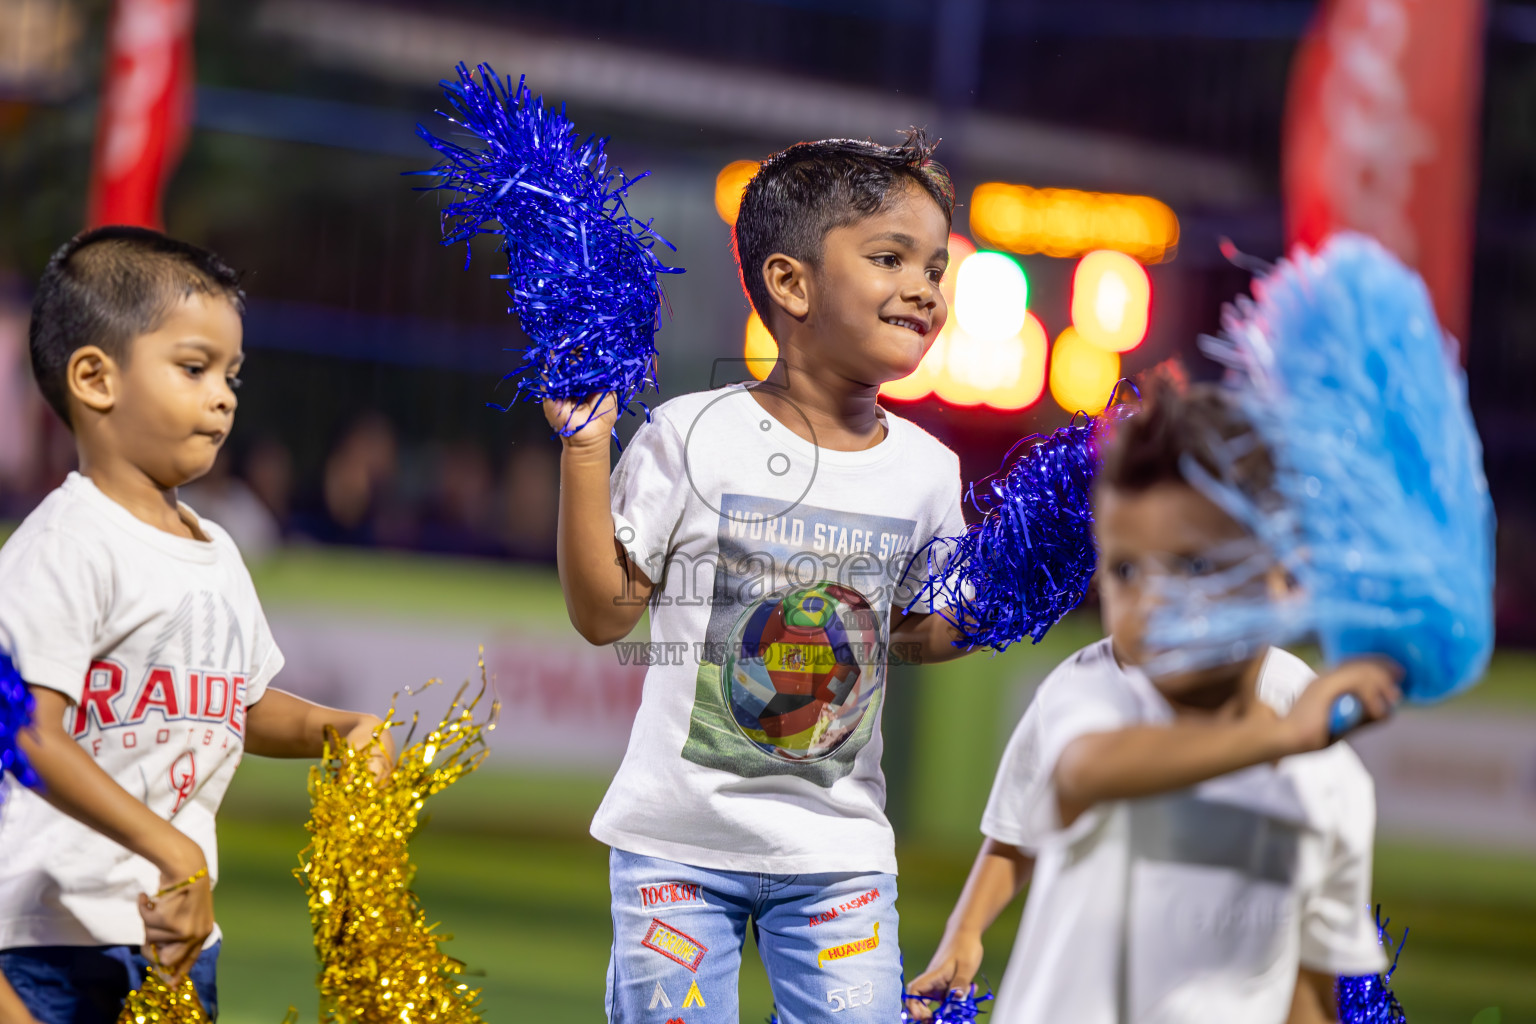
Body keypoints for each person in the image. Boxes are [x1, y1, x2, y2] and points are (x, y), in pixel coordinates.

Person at [544, 134, 973, 1023]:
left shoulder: (931, 471)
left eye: (936, 265)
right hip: (676, 847)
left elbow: (917, 635)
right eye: (890, 258)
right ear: (791, 283)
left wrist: (1003, 602)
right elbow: (602, 615)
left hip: (841, 857)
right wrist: (586, 448)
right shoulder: (692, 432)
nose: (925, 288)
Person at [907, 374, 1402, 1024]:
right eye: (1125, 569)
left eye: (1194, 566)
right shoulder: (1093, 689)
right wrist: (965, 932)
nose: (1150, 603)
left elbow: (1311, 990)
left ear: (1284, 575)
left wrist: (1298, 743)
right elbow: (1082, 777)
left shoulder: (1331, 780)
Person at [0, 227, 394, 1024]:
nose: (224, 395)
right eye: (194, 368)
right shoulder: (63, 545)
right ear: (94, 378)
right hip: (55, 934)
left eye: (232, 375)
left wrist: (333, 728)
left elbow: (233, 703)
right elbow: (29, 735)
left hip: (177, 936)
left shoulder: (215, 550)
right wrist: (172, 850)